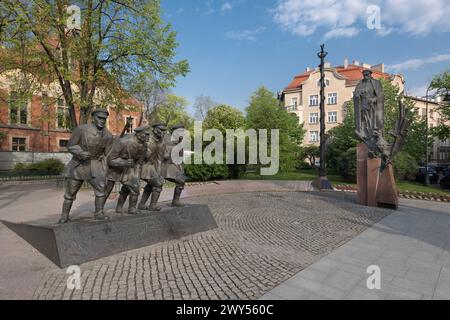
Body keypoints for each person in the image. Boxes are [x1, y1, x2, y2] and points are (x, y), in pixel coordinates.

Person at [59, 109, 113, 224]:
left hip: (96, 166)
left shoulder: (108, 135)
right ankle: (64, 215)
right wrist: (80, 153)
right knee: (70, 192)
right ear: (93, 118)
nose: (102, 121)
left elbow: (107, 154)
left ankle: (99, 213)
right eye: (100, 118)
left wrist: (104, 168)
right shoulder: (82, 129)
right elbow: (71, 145)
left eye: (104, 119)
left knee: (101, 190)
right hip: (79, 165)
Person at [105, 126, 149, 215]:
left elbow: (139, 163)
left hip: (129, 170)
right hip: (115, 169)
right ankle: (99, 210)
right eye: (146, 134)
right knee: (107, 190)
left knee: (134, 188)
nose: (149, 137)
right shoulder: (123, 142)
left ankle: (131, 208)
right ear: (139, 135)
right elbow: (110, 159)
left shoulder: (144, 146)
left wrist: (136, 176)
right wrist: (123, 162)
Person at [138, 123, 167, 211]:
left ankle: (142, 205)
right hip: (143, 166)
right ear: (154, 129)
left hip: (151, 167)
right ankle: (152, 205)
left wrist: (159, 173)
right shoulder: (147, 139)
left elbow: (159, 158)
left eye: (164, 130)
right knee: (158, 184)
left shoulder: (161, 141)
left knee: (152, 184)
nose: (162, 132)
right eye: (160, 130)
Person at [353, 69, 384, 140]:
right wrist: (358, 94)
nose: (365, 76)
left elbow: (380, 94)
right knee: (364, 118)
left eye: (367, 74)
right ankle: (364, 132)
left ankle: (374, 132)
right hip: (363, 102)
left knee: (372, 118)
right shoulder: (360, 83)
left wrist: (374, 99)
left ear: (370, 74)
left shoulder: (376, 83)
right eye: (364, 75)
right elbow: (355, 93)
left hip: (373, 104)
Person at [161, 125, 187, 207]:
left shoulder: (180, 141)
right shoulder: (166, 139)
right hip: (164, 165)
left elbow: (180, 157)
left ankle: (175, 201)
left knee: (181, 180)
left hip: (173, 166)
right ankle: (146, 204)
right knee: (154, 185)